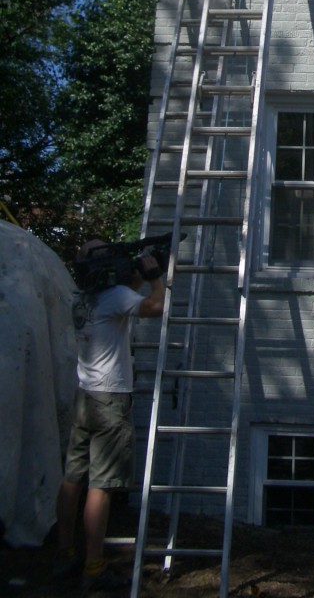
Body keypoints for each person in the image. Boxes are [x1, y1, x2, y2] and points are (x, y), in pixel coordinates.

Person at [53, 240, 166, 594]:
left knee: (73, 477)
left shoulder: (82, 297)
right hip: (110, 399)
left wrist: (133, 276)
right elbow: (156, 305)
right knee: (101, 486)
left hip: (85, 395)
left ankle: (66, 551)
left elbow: (122, 296)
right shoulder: (115, 297)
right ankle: (94, 566)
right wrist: (156, 277)